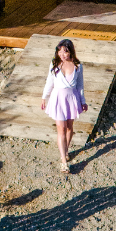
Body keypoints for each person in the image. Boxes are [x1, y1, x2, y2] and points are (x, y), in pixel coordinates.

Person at [40, 39, 87, 173]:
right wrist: (44, 97)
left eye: (65, 52)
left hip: (72, 98)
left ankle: (66, 150)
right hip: (58, 99)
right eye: (59, 51)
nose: (62, 54)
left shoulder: (78, 66)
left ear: (70, 51)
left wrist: (83, 101)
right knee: (61, 129)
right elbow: (49, 82)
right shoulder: (54, 64)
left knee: (69, 127)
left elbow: (80, 86)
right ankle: (64, 161)